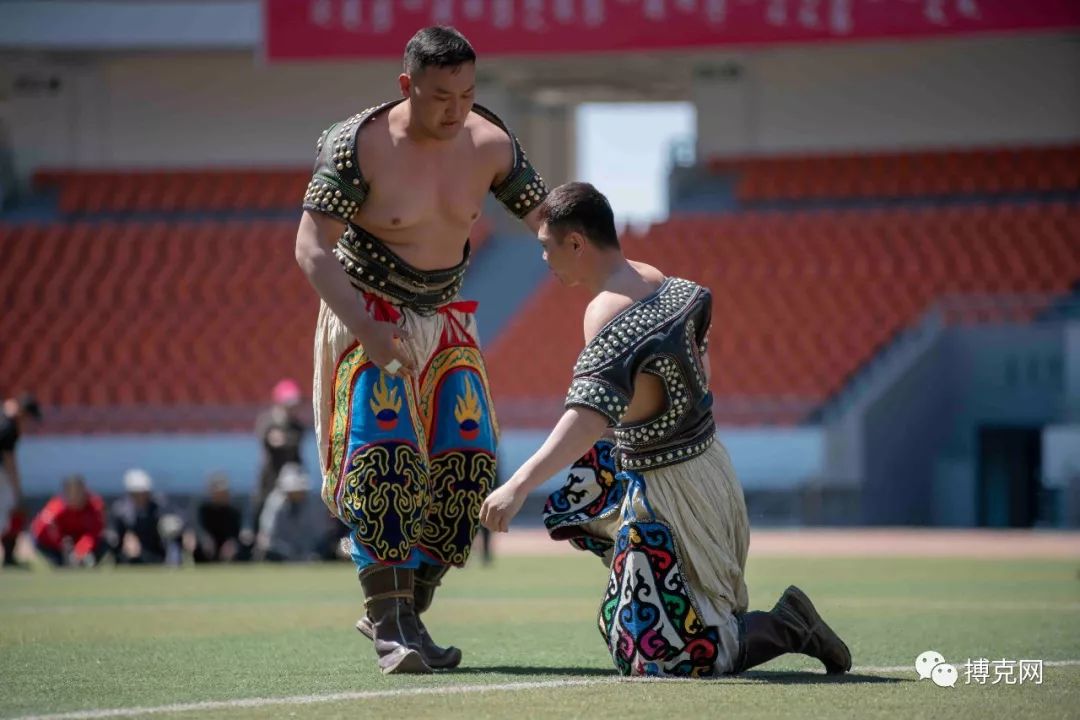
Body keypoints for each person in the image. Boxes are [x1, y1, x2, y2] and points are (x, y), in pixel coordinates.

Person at [479, 183, 852, 678]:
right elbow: (701, 369)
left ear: (576, 244)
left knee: (669, 656)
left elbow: (588, 418)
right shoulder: (669, 284)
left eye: (547, 245)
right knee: (644, 612)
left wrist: (516, 485)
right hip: (709, 468)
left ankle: (790, 626)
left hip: (673, 490)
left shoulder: (606, 311)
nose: (544, 257)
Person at [294, 25, 547, 674]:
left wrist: (607, 263)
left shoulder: (491, 143)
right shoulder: (358, 146)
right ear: (407, 85)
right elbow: (311, 247)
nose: (455, 108)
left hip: (447, 317)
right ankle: (388, 625)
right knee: (385, 458)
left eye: (466, 93)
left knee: (468, 465)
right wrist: (370, 330)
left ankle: (410, 612)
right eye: (440, 95)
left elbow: (549, 219)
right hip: (365, 310)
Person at [252, 379, 307, 532]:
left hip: (292, 478)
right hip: (271, 475)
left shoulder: (297, 425)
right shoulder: (267, 420)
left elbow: (288, 439)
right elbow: (272, 439)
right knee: (262, 510)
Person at [30, 474, 108, 567]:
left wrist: (81, 550)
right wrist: (61, 544)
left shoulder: (95, 505)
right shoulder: (55, 508)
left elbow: (95, 532)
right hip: (61, 545)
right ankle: (62, 562)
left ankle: (87, 562)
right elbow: (40, 530)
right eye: (72, 492)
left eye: (78, 492)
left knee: (105, 542)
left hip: (84, 544)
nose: (75, 497)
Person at [1, 392, 42, 568]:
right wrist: (17, 490)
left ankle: (9, 555)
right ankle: (9, 555)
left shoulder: (4, 415)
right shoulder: (9, 427)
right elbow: (9, 460)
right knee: (10, 510)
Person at [110, 468, 181, 565]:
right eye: (137, 493)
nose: (141, 496)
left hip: (157, 552)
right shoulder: (120, 510)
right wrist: (125, 539)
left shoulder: (160, 505)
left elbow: (177, 521)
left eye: (144, 492)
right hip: (131, 556)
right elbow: (115, 535)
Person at [256, 463, 320, 562]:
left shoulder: (311, 503)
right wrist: (290, 552)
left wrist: (306, 551)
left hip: (306, 550)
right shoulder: (275, 503)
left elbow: (315, 533)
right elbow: (269, 535)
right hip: (279, 550)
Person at [193, 472, 248, 563]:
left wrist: (232, 542)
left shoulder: (234, 510)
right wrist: (205, 539)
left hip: (228, 549)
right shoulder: (203, 508)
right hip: (207, 548)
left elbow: (237, 532)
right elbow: (197, 527)